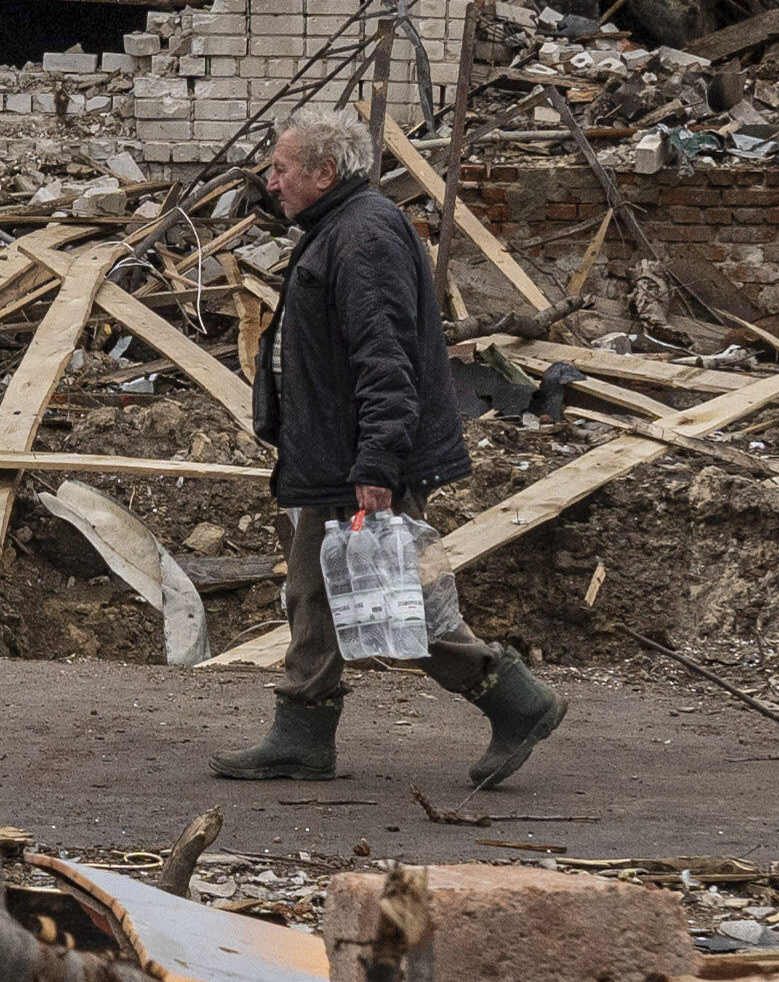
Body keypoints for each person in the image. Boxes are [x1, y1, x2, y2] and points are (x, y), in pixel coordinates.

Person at [219, 107, 570, 789]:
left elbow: (386, 360)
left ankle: (516, 699)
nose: (272, 181)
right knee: (315, 595)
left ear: (324, 173)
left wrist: (376, 462)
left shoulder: (363, 236)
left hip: (361, 460)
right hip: (333, 455)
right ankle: (301, 735)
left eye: (282, 169)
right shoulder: (338, 228)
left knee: (387, 599)